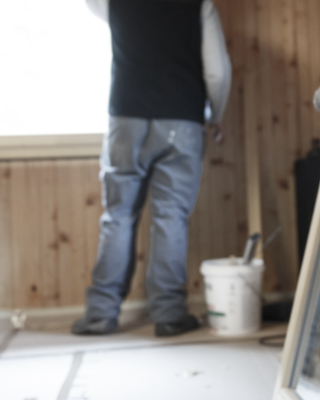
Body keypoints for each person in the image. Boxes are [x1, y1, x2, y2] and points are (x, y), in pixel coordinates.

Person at [72, 0, 232, 336]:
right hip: (181, 119)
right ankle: (170, 315)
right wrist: (214, 116)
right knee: (170, 216)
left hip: (125, 121)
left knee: (117, 215)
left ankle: (100, 313)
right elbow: (217, 72)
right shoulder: (199, 6)